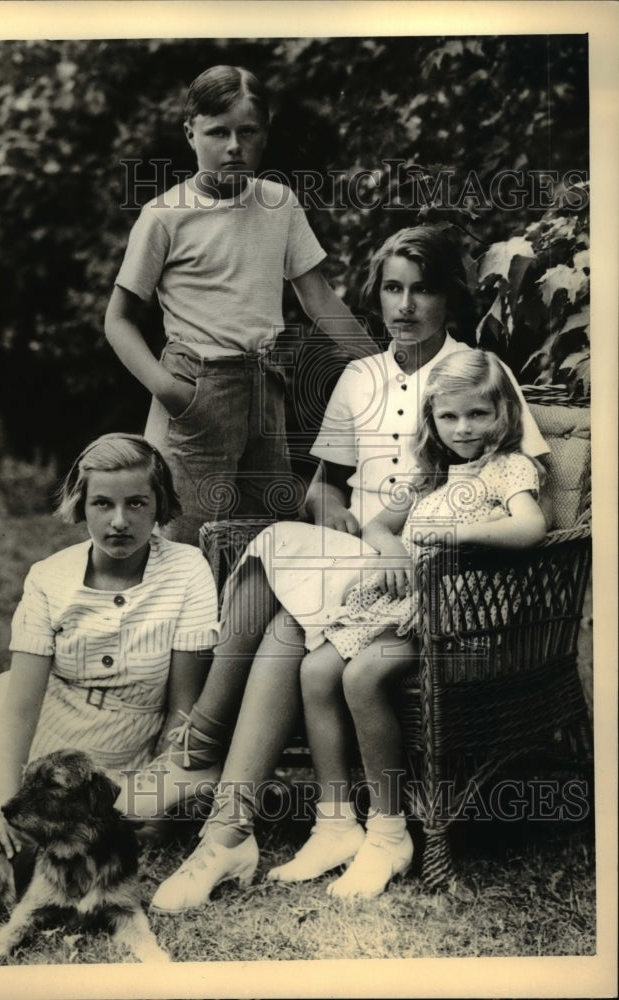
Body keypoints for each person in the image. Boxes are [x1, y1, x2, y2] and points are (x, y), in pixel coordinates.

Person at [124, 224, 550, 912]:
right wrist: (344, 524)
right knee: (288, 553)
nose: (404, 305)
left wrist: (400, 542)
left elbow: (515, 477)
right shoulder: (359, 376)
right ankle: (242, 814)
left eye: (422, 289)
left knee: (277, 573)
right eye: (390, 289)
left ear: (449, 299)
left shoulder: (476, 373)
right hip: (362, 551)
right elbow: (325, 484)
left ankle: (211, 775)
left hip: (427, 568)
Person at [266, 349, 548, 899]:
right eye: (449, 417)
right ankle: (336, 823)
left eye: (478, 415)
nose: (463, 429)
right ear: (433, 422)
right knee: (316, 669)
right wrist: (392, 549)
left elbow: (532, 528)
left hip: (462, 617)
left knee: (360, 676)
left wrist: (459, 536)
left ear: (504, 415)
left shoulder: (509, 467)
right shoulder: (430, 474)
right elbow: (376, 527)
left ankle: (389, 832)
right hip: (404, 604)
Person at [0, 434, 219, 856]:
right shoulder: (49, 577)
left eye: (136, 503)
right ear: (81, 505)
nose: (119, 520)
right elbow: (22, 707)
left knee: (110, 835)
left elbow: (182, 709)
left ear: (159, 506)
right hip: (38, 732)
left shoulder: (187, 570)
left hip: (124, 748)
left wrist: (161, 800)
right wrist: (3, 801)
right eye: (102, 504)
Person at [104, 64, 375, 544]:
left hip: (265, 391)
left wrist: (383, 367)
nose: (234, 146)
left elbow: (319, 299)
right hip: (195, 392)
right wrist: (170, 391)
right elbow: (118, 320)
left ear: (265, 133)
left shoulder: (280, 204)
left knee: (267, 549)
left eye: (247, 132)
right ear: (190, 134)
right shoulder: (165, 215)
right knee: (182, 548)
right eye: (218, 132)